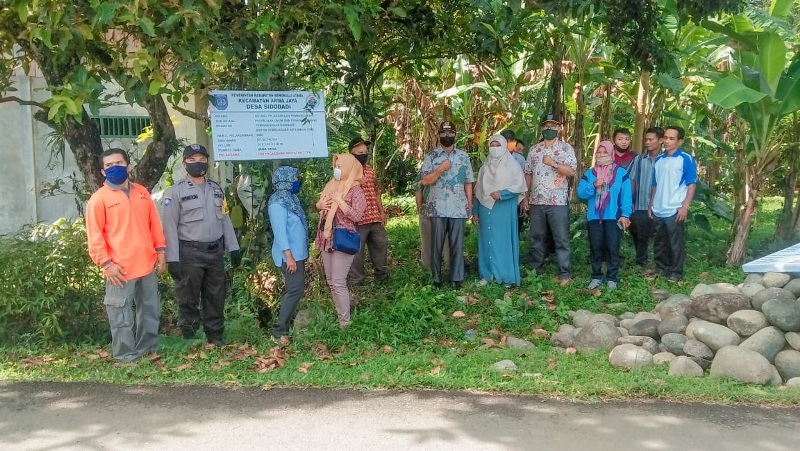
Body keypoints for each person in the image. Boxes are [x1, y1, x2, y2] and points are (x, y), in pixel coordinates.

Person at [86, 148, 166, 362]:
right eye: (109, 165)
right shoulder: (99, 199)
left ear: (128, 166)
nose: (115, 168)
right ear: (103, 172)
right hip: (119, 268)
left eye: (119, 163)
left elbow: (154, 225)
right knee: (120, 314)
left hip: (147, 264)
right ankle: (125, 356)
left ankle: (148, 349)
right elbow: (95, 236)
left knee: (150, 309)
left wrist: (161, 251)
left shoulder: (142, 192)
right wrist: (106, 264)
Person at [161, 144, 240, 347]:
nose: (198, 163)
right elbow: (169, 228)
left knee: (215, 297)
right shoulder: (174, 192)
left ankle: (216, 337)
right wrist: (172, 259)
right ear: (184, 163)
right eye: (192, 160)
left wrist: (233, 247)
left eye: (202, 159)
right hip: (189, 254)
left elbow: (224, 219)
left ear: (208, 161)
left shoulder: (216, 189)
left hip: (215, 253)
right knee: (188, 298)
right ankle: (190, 339)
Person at [522, 114, 577, 287]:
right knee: (536, 237)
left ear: (559, 129)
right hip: (537, 201)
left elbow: (571, 171)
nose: (549, 130)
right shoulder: (534, 150)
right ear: (542, 129)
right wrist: (525, 196)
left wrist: (553, 163)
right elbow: (528, 174)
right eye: (546, 126)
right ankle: (535, 271)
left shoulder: (566, 149)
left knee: (561, 238)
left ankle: (564, 273)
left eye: (553, 127)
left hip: (558, 202)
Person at [421, 121, 475, 289]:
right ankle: (436, 278)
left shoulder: (463, 156)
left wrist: (470, 205)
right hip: (437, 207)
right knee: (436, 244)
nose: (447, 136)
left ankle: (456, 279)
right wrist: (440, 169)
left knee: (457, 245)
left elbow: (468, 182)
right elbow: (425, 180)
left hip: (458, 207)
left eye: (450, 133)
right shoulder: (431, 156)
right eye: (443, 133)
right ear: (438, 135)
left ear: (455, 135)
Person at [316, 153, 366, 329]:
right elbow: (322, 206)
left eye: (340, 165)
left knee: (338, 282)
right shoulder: (331, 184)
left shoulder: (356, 190)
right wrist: (319, 206)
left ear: (349, 167)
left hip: (343, 238)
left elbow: (357, 215)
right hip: (327, 237)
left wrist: (340, 202)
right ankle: (341, 315)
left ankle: (345, 321)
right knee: (331, 281)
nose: (336, 169)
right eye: (335, 165)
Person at [472, 134, 528, 286]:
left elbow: (519, 187)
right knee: (486, 242)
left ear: (504, 146)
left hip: (503, 208)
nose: (495, 149)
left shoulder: (512, 165)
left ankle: (506, 276)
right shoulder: (485, 167)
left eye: (498, 145)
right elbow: (479, 192)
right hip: (485, 209)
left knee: (502, 242)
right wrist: (475, 212)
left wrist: (501, 194)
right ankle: (487, 275)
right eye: (492, 145)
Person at [577, 141, 632, 290]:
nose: (601, 155)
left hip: (614, 216)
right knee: (595, 247)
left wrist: (626, 214)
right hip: (594, 217)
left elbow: (626, 196)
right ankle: (596, 276)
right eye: (599, 153)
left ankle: (612, 278)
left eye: (605, 153)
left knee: (613, 247)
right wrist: (593, 185)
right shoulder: (590, 174)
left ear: (611, 153)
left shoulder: (621, 173)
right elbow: (581, 193)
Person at [649, 125, 697, 282]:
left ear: (680, 141)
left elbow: (691, 184)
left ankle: (675, 272)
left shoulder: (685, 159)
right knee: (659, 241)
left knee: (675, 243)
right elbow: (655, 185)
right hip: (658, 208)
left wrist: (685, 207)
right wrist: (651, 205)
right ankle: (661, 268)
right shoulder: (659, 160)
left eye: (672, 138)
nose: (667, 141)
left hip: (674, 209)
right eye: (666, 138)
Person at [267, 166, 308, 346]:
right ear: (286, 179)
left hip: (297, 254)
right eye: (295, 178)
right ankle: (279, 331)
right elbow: (280, 231)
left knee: (295, 290)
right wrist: (288, 256)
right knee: (294, 290)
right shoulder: (277, 202)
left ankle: (284, 327)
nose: (297, 181)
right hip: (289, 256)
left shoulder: (290, 199)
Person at [347, 137, 389, 285]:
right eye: (360, 152)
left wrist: (381, 211)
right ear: (351, 153)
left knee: (380, 246)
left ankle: (382, 276)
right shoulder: (346, 171)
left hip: (374, 217)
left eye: (365, 151)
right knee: (356, 252)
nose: (364, 154)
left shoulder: (370, 170)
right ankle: (357, 281)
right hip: (357, 219)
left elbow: (376, 192)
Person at [629, 127, 664, 269]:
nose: (647, 143)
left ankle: (660, 265)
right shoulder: (639, 160)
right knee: (640, 235)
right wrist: (630, 201)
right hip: (641, 204)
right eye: (646, 139)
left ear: (661, 141)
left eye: (651, 139)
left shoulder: (666, 160)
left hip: (661, 206)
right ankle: (641, 262)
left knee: (660, 237)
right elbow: (632, 180)